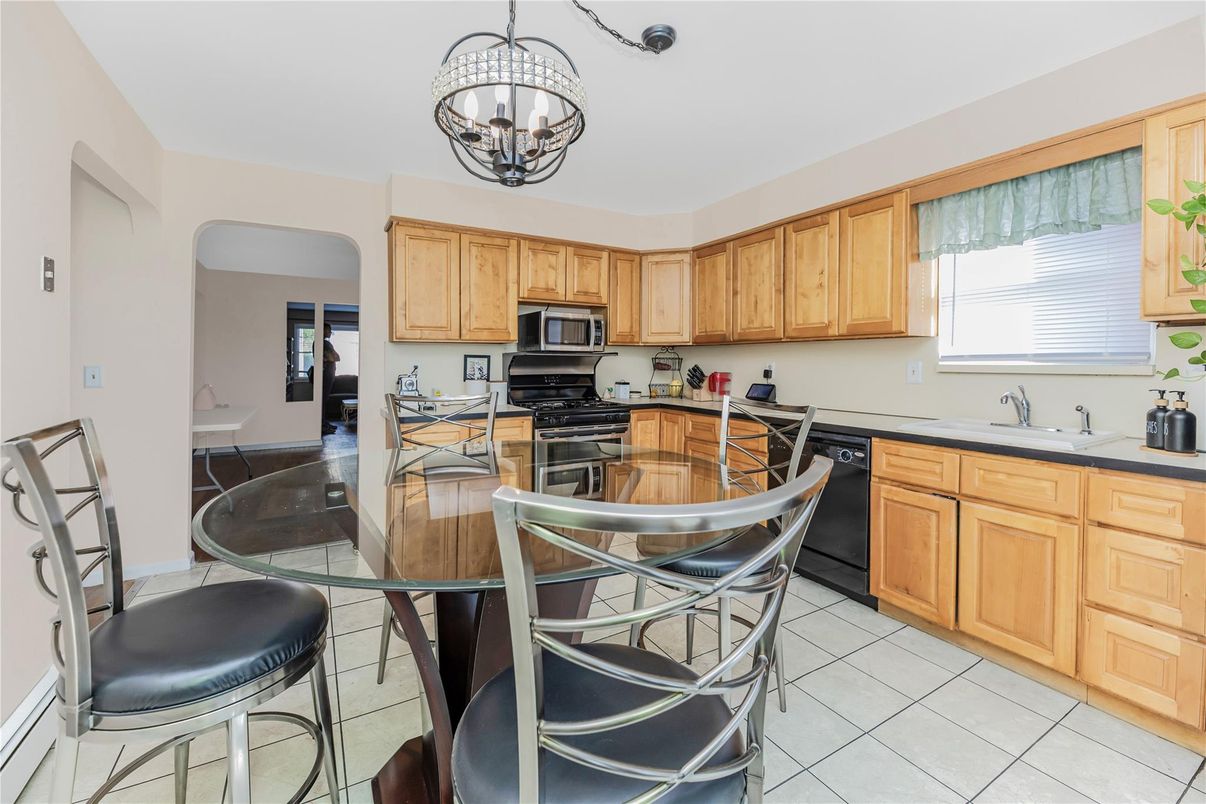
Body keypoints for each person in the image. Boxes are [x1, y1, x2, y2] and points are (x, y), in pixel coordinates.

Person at [321, 322, 340, 435]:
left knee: (324, 400)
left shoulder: (325, 343)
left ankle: (324, 423)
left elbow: (336, 357)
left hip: (328, 374)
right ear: (323, 330)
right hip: (326, 375)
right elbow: (335, 357)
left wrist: (328, 357)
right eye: (329, 330)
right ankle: (322, 425)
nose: (330, 332)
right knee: (322, 400)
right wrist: (330, 357)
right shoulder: (324, 343)